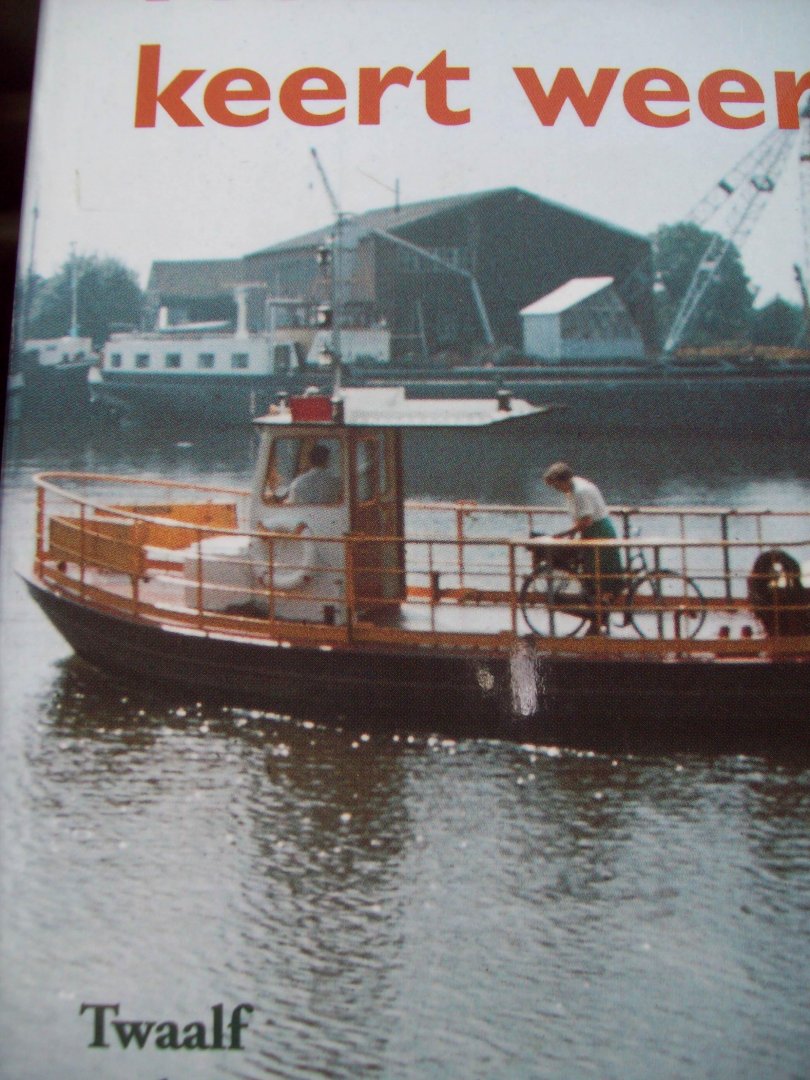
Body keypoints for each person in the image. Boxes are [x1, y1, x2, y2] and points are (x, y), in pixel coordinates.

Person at [542, 461, 624, 631]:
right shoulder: (572, 488)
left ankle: (600, 618)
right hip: (591, 532)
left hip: (599, 532)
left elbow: (586, 520)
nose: (556, 489)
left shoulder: (580, 491)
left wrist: (564, 534)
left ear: (563, 480)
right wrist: (572, 533)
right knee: (592, 575)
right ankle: (598, 619)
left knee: (602, 576)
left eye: (556, 485)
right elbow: (581, 519)